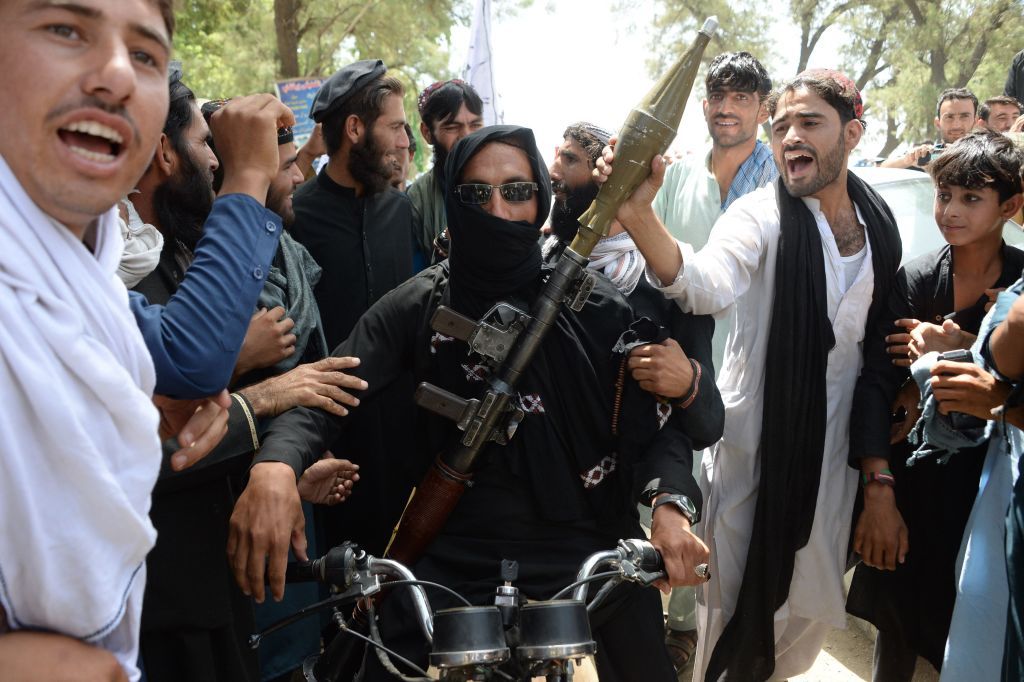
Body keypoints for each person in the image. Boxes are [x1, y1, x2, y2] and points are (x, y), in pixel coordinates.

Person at [228, 125, 711, 681]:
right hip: (452, 550)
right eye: (476, 195)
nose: (498, 210)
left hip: (586, 547)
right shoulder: (421, 301)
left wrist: (672, 512)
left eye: (515, 191)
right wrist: (275, 467)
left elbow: (660, 426)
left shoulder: (594, 305)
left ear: (541, 200)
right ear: (452, 199)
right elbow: (331, 387)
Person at [0, 1, 294, 680]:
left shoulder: (87, 280)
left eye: (146, 55)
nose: (115, 75)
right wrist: (249, 178)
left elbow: (172, 372)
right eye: (65, 30)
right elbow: (194, 359)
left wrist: (135, 414)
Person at [597, 69, 903, 680]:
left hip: (834, 460)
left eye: (809, 122)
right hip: (752, 455)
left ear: (854, 132)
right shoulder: (760, 216)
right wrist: (636, 213)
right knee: (732, 623)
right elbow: (703, 284)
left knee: (804, 628)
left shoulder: (879, 224)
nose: (790, 136)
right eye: (782, 124)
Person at [846, 130, 1024, 680]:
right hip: (913, 485)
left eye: (972, 198)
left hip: (991, 493)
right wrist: (878, 491)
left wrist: (962, 351)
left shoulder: (1019, 289)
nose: (950, 210)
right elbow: (877, 383)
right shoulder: (917, 278)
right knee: (896, 632)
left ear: (1010, 206)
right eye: (944, 195)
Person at [647, 51, 777, 675]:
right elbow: (658, 259)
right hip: (692, 352)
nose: (727, 108)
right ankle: (680, 626)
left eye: (741, 97)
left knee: (743, 487)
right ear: (704, 106)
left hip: (758, 357)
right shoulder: (675, 176)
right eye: (717, 97)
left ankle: (739, 616)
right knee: (682, 475)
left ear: (762, 107)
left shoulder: (783, 175)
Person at [407, 78, 485, 266]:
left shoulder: (507, 184)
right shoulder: (415, 201)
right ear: (427, 132)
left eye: (475, 125)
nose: (467, 137)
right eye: (452, 127)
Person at [883, 88, 978, 169]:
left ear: (975, 121)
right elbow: (881, 170)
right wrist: (908, 160)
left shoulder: (988, 159)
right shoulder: (928, 157)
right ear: (937, 123)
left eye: (964, 116)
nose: (956, 125)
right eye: (949, 117)